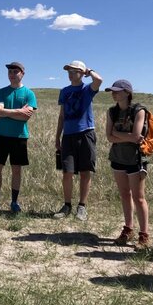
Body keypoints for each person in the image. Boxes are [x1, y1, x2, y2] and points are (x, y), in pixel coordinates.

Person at [0, 62, 37, 213]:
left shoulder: (29, 93)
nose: (12, 74)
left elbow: (26, 117)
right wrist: (19, 111)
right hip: (1, 135)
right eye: (10, 72)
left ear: (22, 74)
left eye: (15, 71)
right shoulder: (1, 92)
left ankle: (14, 202)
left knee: (17, 170)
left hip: (19, 137)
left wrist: (7, 112)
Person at [104, 80, 150, 249]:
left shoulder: (139, 110)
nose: (113, 94)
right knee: (124, 194)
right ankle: (128, 229)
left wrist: (117, 133)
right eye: (112, 91)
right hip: (118, 157)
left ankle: (144, 235)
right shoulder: (112, 111)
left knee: (138, 197)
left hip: (135, 158)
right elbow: (109, 137)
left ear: (127, 93)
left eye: (117, 91)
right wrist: (126, 136)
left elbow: (137, 136)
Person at [54, 60, 102, 221]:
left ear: (82, 73)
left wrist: (89, 70)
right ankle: (67, 205)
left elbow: (99, 80)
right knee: (67, 172)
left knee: (84, 171)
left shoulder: (87, 89)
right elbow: (62, 115)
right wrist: (57, 137)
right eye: (69, 71)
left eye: (74, 71)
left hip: (85, 133)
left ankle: (82, 207)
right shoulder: (64, 91)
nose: (70, 74)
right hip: (68, 135)